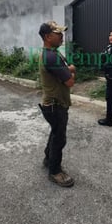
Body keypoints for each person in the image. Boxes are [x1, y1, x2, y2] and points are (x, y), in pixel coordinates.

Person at [38, 21, 76, 187]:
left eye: (62, 33)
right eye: (58, 34)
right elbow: (69, 81)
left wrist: (69, 71)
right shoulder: (51, 56)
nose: (62, 36)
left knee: (55, 132)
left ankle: (48, 158)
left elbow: (67, 70)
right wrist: (71, 73)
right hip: (55, 105)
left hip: (54, 103)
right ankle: (55, 171)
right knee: (59, 138)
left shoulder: (53, 52)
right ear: (47, 37)